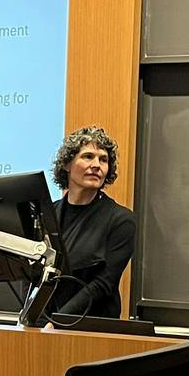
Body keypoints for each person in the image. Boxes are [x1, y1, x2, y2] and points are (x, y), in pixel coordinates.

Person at [48, 126, 136, 320]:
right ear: (67, 164)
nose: (96, 165)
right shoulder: (48, 214)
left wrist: (58, 321)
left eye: (103, 159)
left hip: (93, 325)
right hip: (45, 324)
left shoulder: (121, 220)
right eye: (88, 156)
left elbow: (103, 284)